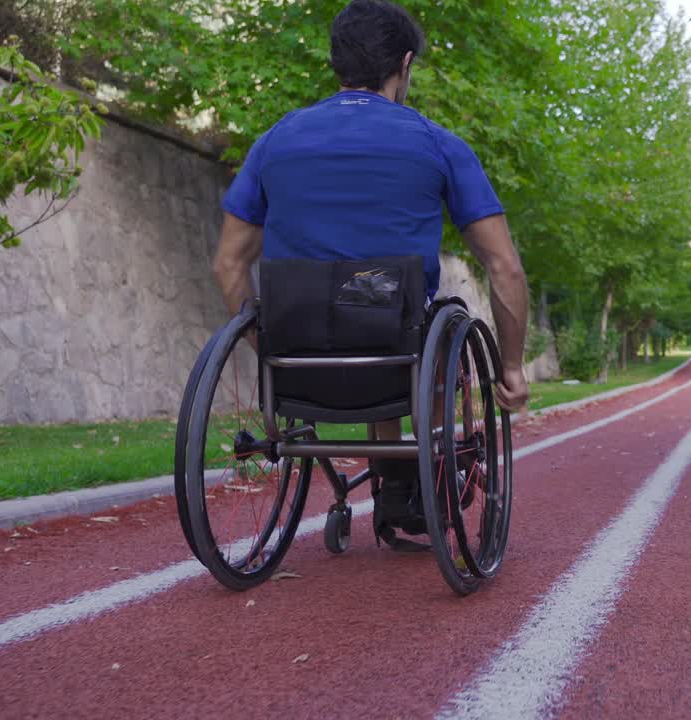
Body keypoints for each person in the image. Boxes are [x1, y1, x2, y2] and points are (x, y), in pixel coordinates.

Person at [211, 0, 529, 547]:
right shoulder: (439, 145)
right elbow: (504, 267)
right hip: (398, 358)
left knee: (377, 308)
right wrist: (513, 367)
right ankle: (410, 481)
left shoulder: (275, 141)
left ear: (337, 63)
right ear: (404, 64)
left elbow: (228, 264)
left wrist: (269, 349)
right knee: (424, 316)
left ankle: (394, 482)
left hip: (297, 364)